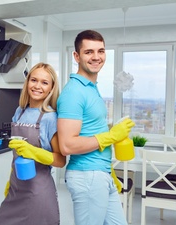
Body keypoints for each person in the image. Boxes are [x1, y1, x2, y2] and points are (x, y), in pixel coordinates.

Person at [57, 30, 135, 225]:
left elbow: (91, 131)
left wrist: (108, 171)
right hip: (87, 176)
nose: (96, 57)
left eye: (100, 51)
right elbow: (66, 145)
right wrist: (110, 137)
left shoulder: (91, 88)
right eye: (89, 52)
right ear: (76, 56)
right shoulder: (73, 92)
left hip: (100, 173)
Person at [0, 62, 66, 225]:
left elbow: (61, 160)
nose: (37, 86)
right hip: (16, 187)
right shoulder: (20, 112)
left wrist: (32, 151)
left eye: (44, 82)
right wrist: (10, 180)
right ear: (27, 83)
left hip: (38, 191)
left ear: (51, 88)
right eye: (34, 80)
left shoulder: (50, 118)